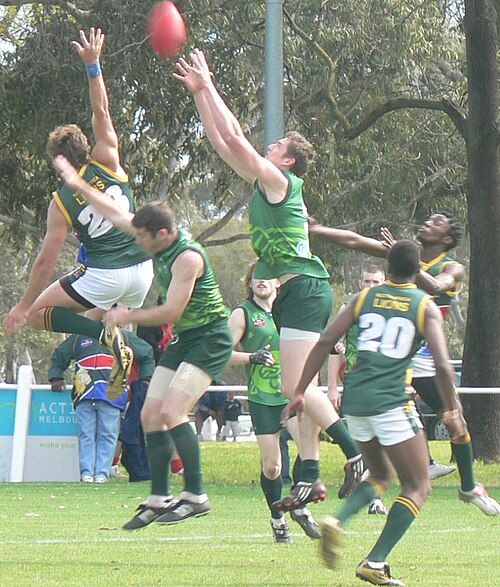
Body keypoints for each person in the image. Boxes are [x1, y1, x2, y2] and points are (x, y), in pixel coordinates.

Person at [175, 49, 365, 510]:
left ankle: (355, 454)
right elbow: (222, 143)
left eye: (277, 146)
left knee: (292, 388)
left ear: (288, 163)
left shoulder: (280, 184)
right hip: (296, 291)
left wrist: (209, 87)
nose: (270, 146)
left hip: (303, 286)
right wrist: (201, 96)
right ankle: (315, 473)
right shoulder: (267, 182)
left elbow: (237, 136)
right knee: (298, 388)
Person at [53, 155, 233, 529]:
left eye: (141, 238)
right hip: (186, 340)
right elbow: (113, 211)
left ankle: (196, 494)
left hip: (212, 339)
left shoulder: (187, 258)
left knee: (171, 413)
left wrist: (126, 316)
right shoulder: (153, 235)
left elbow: (170, 312)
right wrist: (77, 184)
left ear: (162, 236)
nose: (136, 241)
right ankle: (159, 496)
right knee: (151, 415)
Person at [283, 240, 466, 586]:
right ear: (417, 271)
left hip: (356, 403)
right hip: (391, 402)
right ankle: (375, 562)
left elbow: (325, 341)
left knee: (381, 474)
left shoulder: (363, 298)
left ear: (388, 266)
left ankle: (338, 521)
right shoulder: (423, 304)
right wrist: (451, 408)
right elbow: (442, 363)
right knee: (417, 485)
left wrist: (299, 391)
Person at [311, 213, 500, 516]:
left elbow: (438, 286)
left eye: (437, 221)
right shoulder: (403, 251)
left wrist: (401, 258)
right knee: (385, 435)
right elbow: (356, 241)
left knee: (455, 421)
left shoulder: (450, 267)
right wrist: (318, 230)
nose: (428, 221)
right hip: (395, 361)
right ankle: (378, 493)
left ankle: (468, 486)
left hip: (425, 361)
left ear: (447, 238)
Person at [3, 28, 154, 387]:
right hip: (144, 273)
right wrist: (92, 64)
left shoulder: (61, 201)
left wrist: (23, 306)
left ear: (58, 161)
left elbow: (45, 262)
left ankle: (116, 340)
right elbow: (100, 109)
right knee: (98, 310)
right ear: (85, 146)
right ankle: (117, 364)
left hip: (106, 275)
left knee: (42, 313)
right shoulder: (109, 160)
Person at [228, 260, 321, 542]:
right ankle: (277, 518)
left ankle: (300, 504)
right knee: (272, 467)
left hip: (291, 396)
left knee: (308, 448)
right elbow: (220, 352)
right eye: (256, 277)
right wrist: (251, 357)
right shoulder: (243, 314)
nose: (261, 281)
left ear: (278, 282)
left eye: (267, 277)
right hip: (262, 399)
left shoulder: (290, 314)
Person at [48, 330, 154, 483]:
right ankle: (86, 474)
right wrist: (56, 376)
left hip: (113, 396)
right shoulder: (79, 335)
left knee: (108, 435)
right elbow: (60, 354)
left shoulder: (124, 336)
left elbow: (147, 353)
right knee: (86, 435)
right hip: (84, 393)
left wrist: (145, 378)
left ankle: (102, 475)